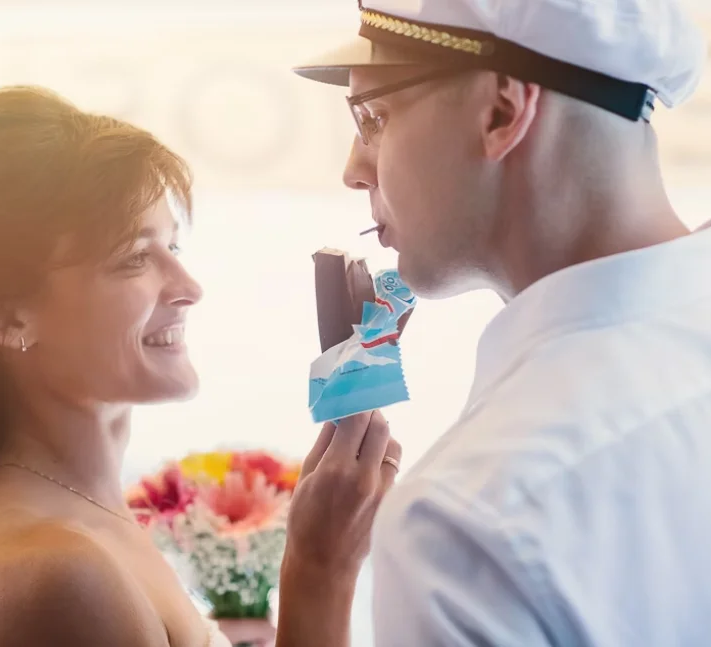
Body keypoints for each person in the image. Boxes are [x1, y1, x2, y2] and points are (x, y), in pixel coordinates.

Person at [0, 85, 401, 647]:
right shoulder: (54, 573)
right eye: (134, 258)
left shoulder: (86, 520)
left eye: (173, 248)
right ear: (12, 318)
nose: (189, 288)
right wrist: (319, 570)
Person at [289, 0, 711, 645]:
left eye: (373, 118)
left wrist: (317, 573)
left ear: (502, 112)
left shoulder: (468, 521)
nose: (353, 169)